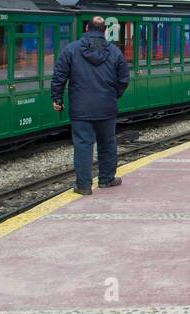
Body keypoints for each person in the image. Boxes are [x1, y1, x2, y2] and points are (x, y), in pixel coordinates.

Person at [51, 16, 130, 195]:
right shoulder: (115, 52)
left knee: (83, 146)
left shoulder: (71, 49)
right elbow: (124, 79)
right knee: (108, 144)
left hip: (80, 109)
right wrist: (113, 95)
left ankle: (84, 186)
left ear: (87, 28)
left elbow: (59, 76)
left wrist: (57, 99)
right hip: (106, 108)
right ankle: (106, 180)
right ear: (104, 30)